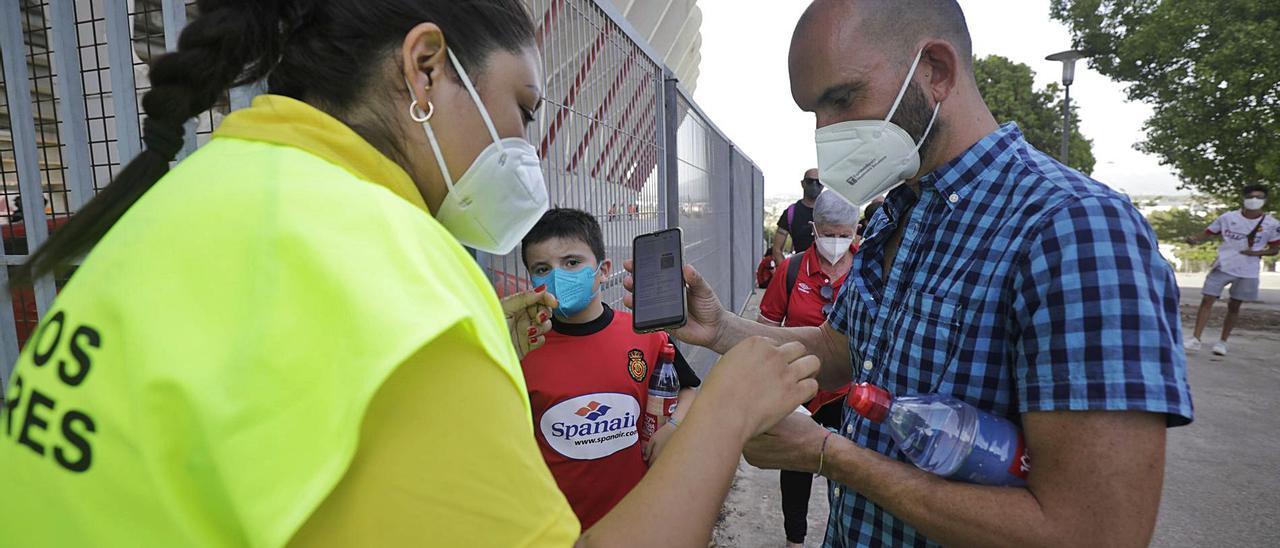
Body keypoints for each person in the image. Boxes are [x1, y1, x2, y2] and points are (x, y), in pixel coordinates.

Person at [0, 1, 821, 546]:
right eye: (522, 110)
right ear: (424, 68)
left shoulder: (199, 196)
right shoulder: (400, 279)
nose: (523, 146)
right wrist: (726, 406)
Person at [624, 1, 1192, 546]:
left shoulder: (1077, 231)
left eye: (842, 98)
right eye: (814, 115)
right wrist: (720, 328)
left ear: (937, 71)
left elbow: (1092, 533)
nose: (826, 132)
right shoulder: (900, 213)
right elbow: (839, 347)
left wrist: (828, 454)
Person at [518, 208, 701, 529]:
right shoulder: (522, 348)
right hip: (556, 528)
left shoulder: (645, 334)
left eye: (572, 262)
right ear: (531, 280)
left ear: (603, 270)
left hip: (636, 518)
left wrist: (674, 426)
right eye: (542, 268)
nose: (558, 277)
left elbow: (689, 388)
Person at [757, 191, 859, 547]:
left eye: (844, 234)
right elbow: (766, 327)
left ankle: (844, 535)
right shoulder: (793, 269)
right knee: (797, 462)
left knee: (847, 469)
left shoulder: (867, 268)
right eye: (829, 234)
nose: (837, 242)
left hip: (850, 393)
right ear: (815, 231)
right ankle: (794, 539)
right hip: (801, 388)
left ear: (855, 230)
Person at [1184, 184, 1279, 355]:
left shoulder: (1272, 224)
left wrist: (1256, 253)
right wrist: (1194, 239)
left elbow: (1274, 248)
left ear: (1265, 200)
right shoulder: (1228, 218)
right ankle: (1195, 338)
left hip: (1247, 270)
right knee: (1207, 299)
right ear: (1243, 198)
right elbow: (1208, 232)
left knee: (1234, 305)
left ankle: (1222, 342)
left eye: (1259, 197)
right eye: (1251, 196)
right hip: (1224, 264)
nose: (1254, 200)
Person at [772, 168, 825, 267]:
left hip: (827, 273)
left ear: (823, 185)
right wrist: (787, 272)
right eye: (810, 181)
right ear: (803, 184)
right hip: (800, 271)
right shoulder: (790, 213)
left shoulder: (831, 211)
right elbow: (776, 249)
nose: (814, 185)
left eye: (819, 182)